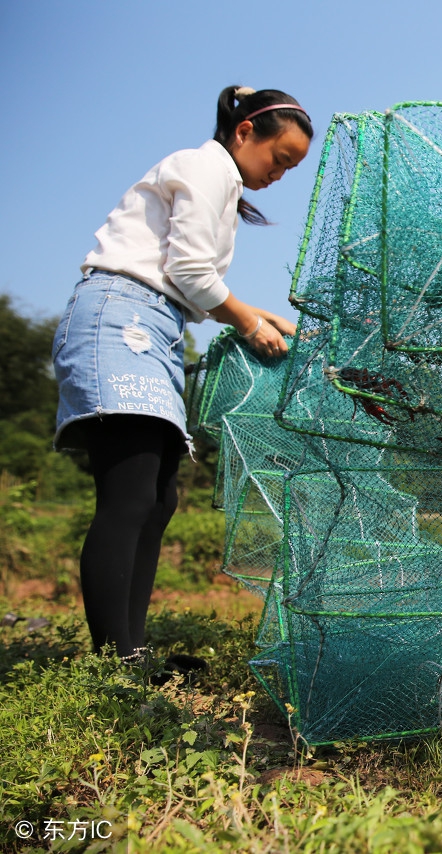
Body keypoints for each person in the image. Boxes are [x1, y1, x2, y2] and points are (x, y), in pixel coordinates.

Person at [52, 86, 313, 671]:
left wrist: (259, 313)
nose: (278, 175)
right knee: (129, 495)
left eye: (290, 169)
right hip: (120, 319)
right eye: (279, 159)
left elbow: (190, 286)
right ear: (244, 132)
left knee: (158, 498)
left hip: (155, 326)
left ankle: (133, 654)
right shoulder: (203, 166)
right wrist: (249, 322)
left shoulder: (222, 182)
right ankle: (114, 666)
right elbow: (190, 272)